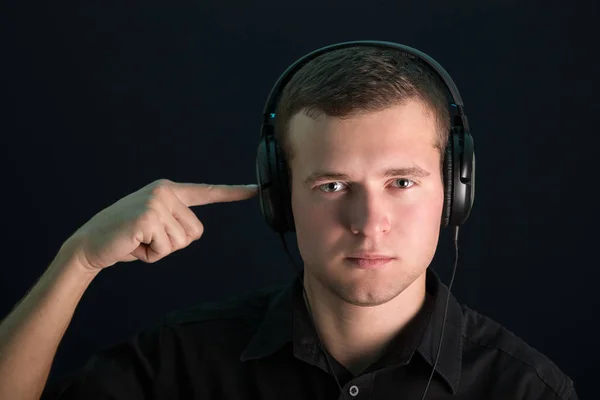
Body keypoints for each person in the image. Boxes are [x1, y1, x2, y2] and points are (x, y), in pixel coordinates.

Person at [0, 44, 578, 400]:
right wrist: (78, 260)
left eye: (401, 183)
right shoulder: (180, 364)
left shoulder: (528, 389)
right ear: (280, 198)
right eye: (332, 186)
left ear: (456, 190)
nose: (368, 222)